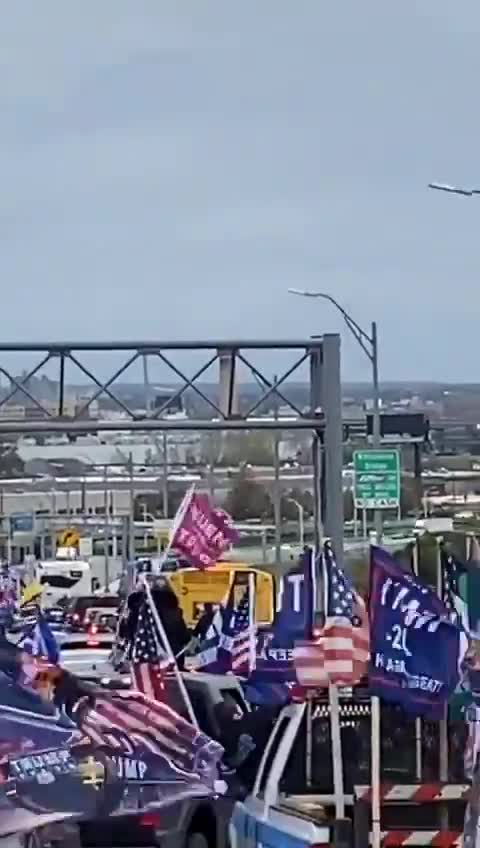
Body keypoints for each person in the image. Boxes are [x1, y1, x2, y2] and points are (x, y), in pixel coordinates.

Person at [149, 580, 192, 669]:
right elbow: (184, 636)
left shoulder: (149, 614)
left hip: (157, 658)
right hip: (175, 657)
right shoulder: (175, 613)